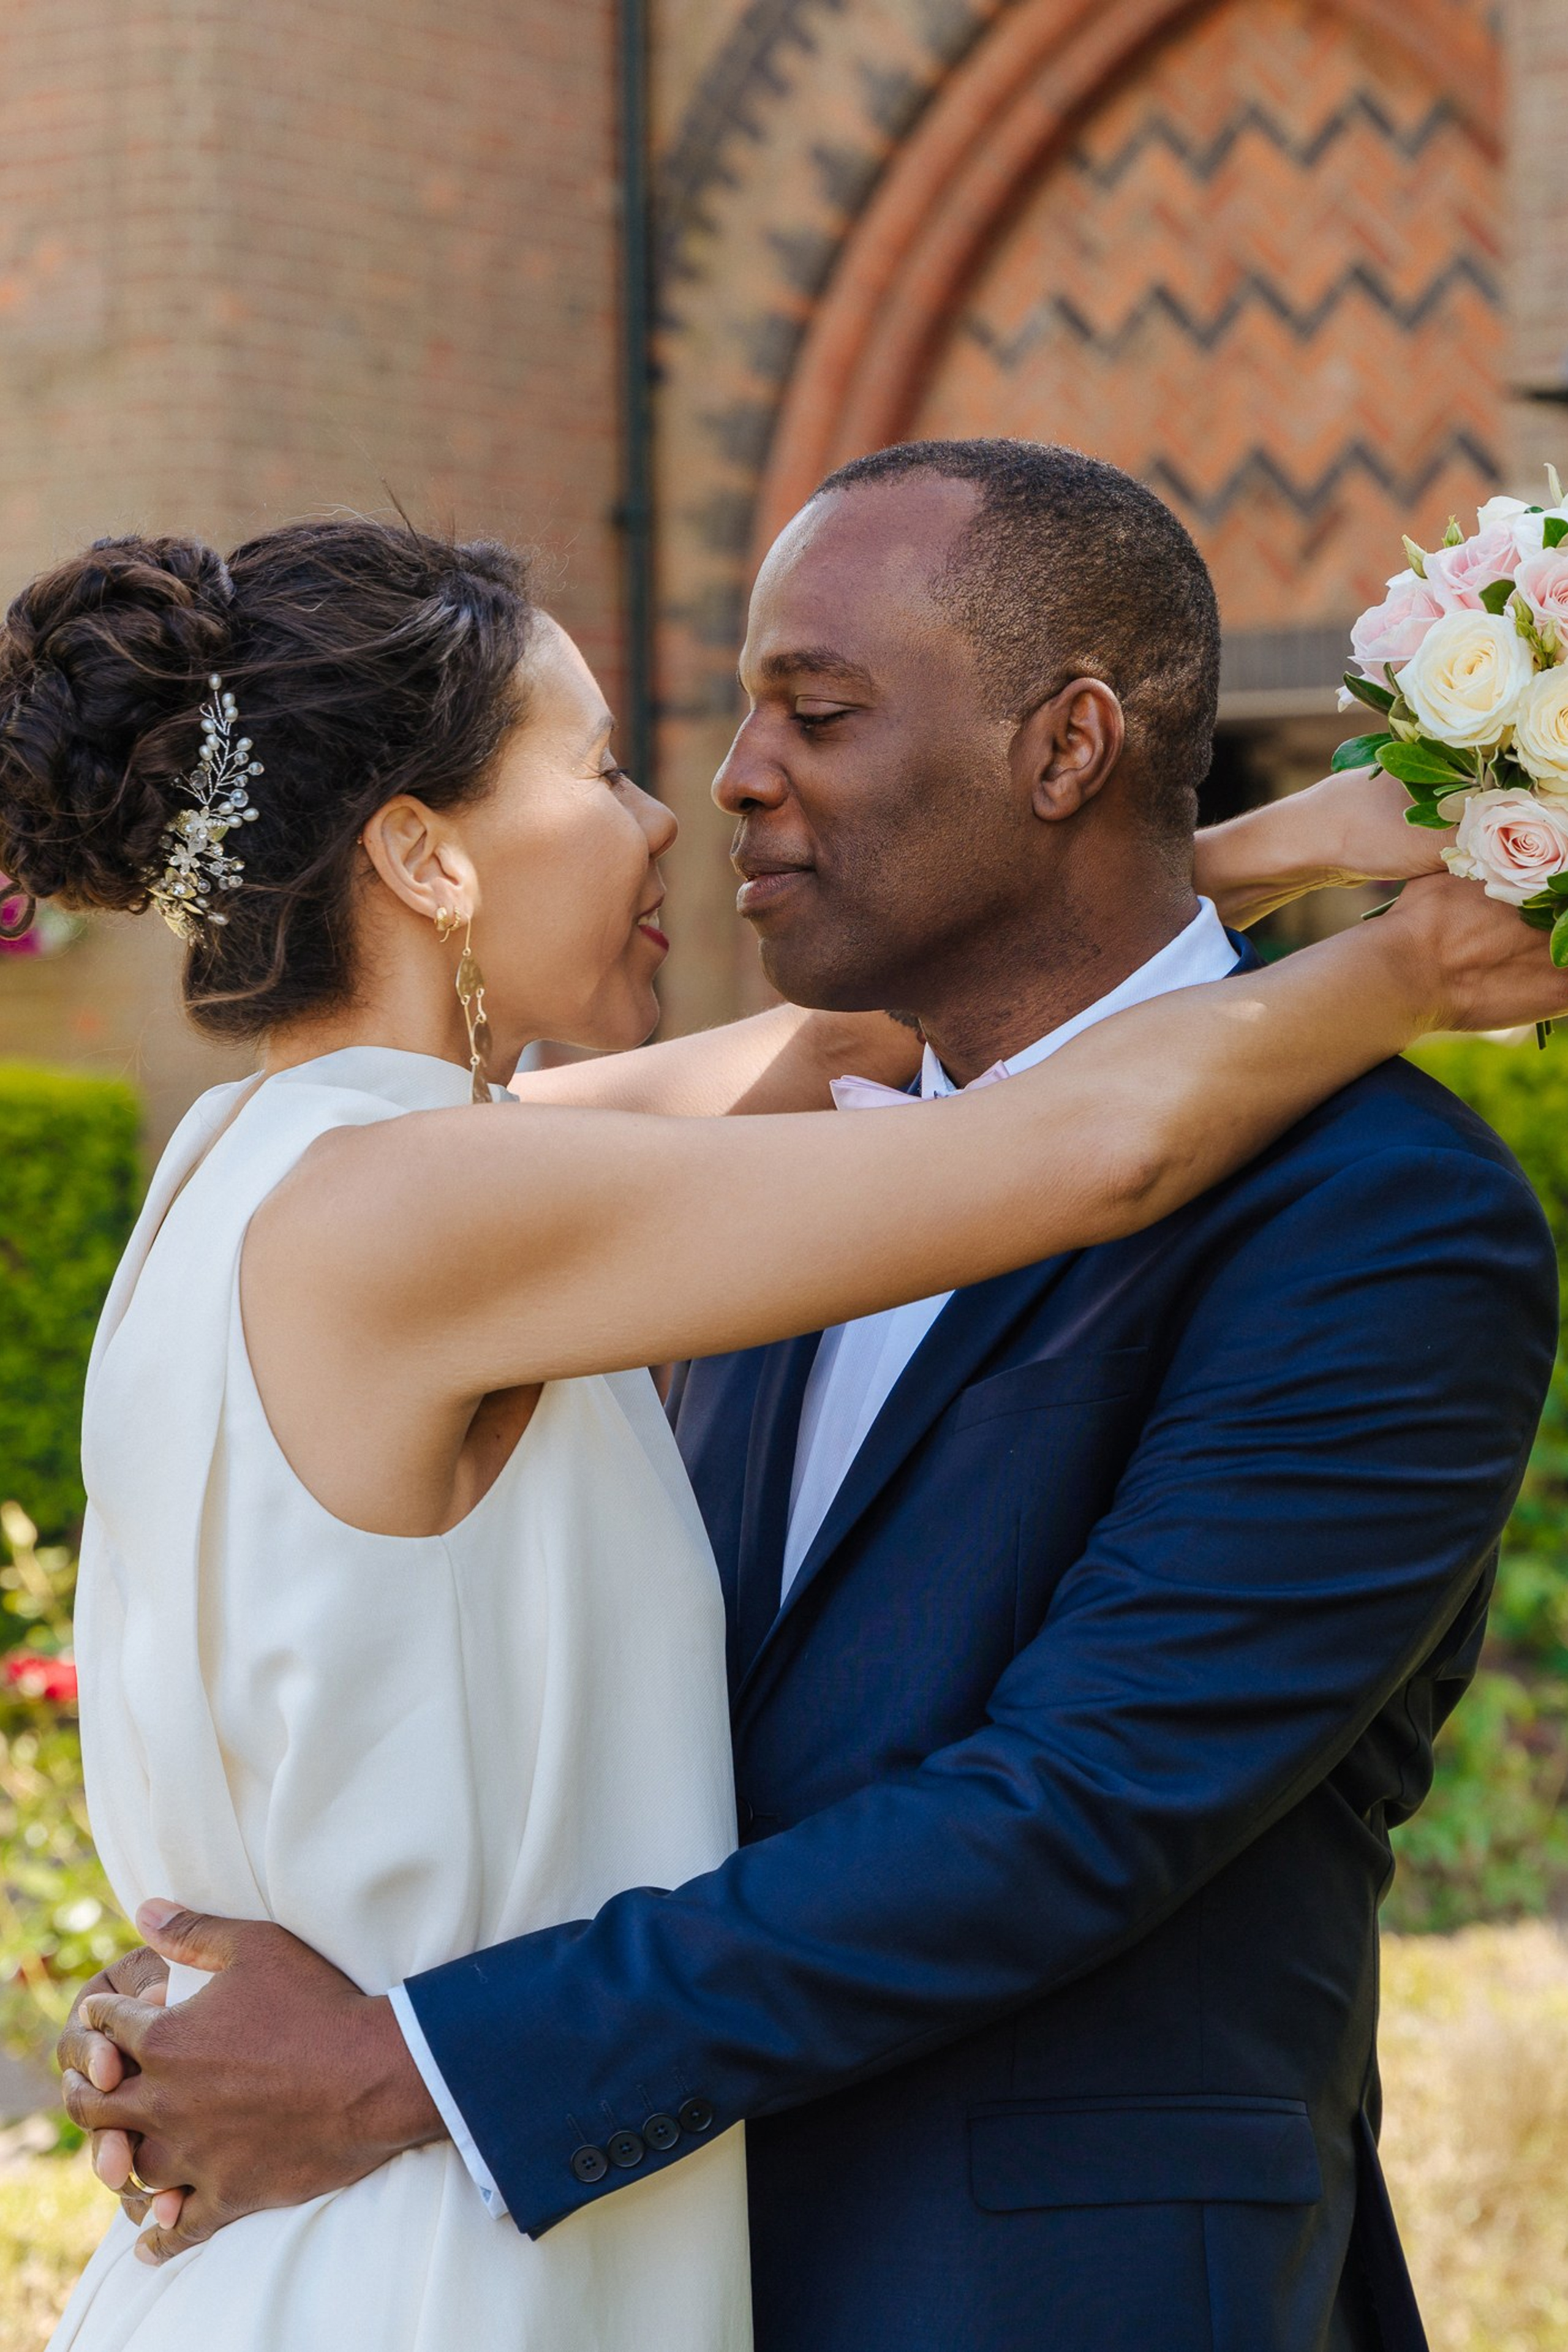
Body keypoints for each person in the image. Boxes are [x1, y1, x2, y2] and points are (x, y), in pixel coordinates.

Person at [31, 452, 1563, 2352]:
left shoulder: (283, 1164)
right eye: (599, 770)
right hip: (443, 2254)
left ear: (1062, 746)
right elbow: (1091, 1149)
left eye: (811, 713)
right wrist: (1415, 955)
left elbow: (1074, 1797)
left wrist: (1259, 850)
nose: (707, 792)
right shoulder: (476, 1204)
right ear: (428, 857)